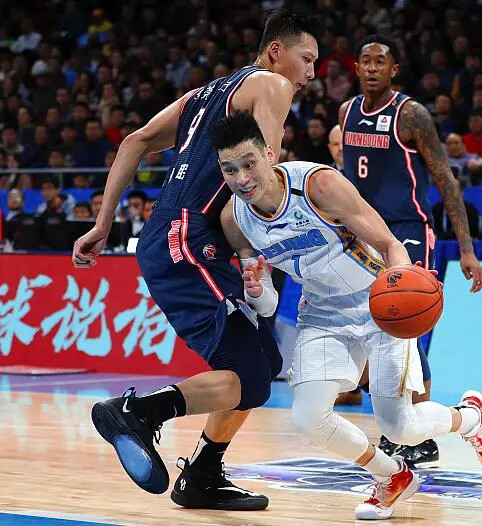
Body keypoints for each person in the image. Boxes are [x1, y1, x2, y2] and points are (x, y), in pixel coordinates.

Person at [71, 10, 323, 510]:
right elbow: (263, 179)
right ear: (276, 51)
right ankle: (140, 412)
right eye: (307, 58)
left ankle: (204, 474)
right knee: (249, 374)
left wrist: (103, 224)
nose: (311, 72)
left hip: (180, 236)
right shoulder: (273, 85)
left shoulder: (205, 94)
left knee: (263, 364)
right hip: (190, 241)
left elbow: (135, 141)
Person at [212, 111, 482, 520]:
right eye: (229, 169)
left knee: (398, 426)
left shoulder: (318, 185)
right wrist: (257, 291)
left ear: (269, 154)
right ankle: (391, 476)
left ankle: (472, 418)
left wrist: (401, 284)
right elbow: (267, 307)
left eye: (248, 164)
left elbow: (389, 244)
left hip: (377, 301)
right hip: (321, 310)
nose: (242, 178)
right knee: (308, 419)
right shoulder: (234, 219)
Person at [338, 35, 482, 469]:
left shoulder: (410, 114)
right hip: (362, 233)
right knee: (369, 331)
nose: (371, 68)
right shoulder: (346, 112)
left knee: (406, 325)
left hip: (406, 232)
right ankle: (398, 426)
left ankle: (423, 434)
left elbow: (445, 180)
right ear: (356, 67)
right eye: (365, 61)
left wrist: (466, 249)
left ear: (394, 70)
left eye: (380, 61)